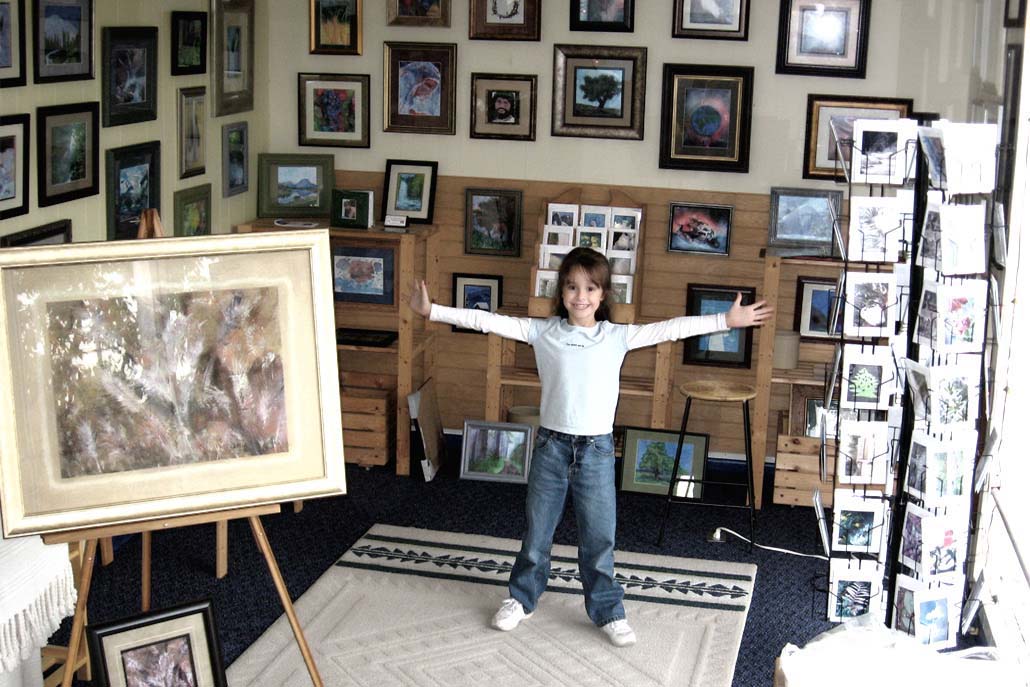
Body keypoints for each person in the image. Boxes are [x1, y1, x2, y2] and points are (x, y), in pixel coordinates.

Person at [406, 247, 772, 647]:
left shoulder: (617, 336)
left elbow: (670, 328)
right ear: (562, 291)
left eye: (590, 288)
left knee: (598, 538)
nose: (581, 296)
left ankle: (608, 611)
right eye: (572, 287)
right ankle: (521, 599)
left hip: (596, 451)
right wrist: (432, 311)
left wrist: (726, 319)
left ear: (602, 295)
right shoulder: (542, 331)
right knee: (537, 532)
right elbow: (486, 320)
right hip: (550, 447)